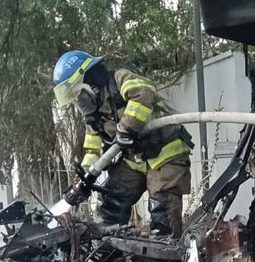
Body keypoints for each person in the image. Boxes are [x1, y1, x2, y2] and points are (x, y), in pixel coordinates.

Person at [52, 50, 192, 236]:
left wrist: (126, 127)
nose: (79, 101)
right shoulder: (94, 116)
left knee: (162, 210)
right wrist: (84, 178)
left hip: (165, 154)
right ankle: (107, 251)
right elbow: (92, 149)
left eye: (78, 94)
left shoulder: (119, 79)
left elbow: (144, 93)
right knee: (111, 202)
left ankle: (162, 261)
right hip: (135, 160)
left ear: (89, 82)